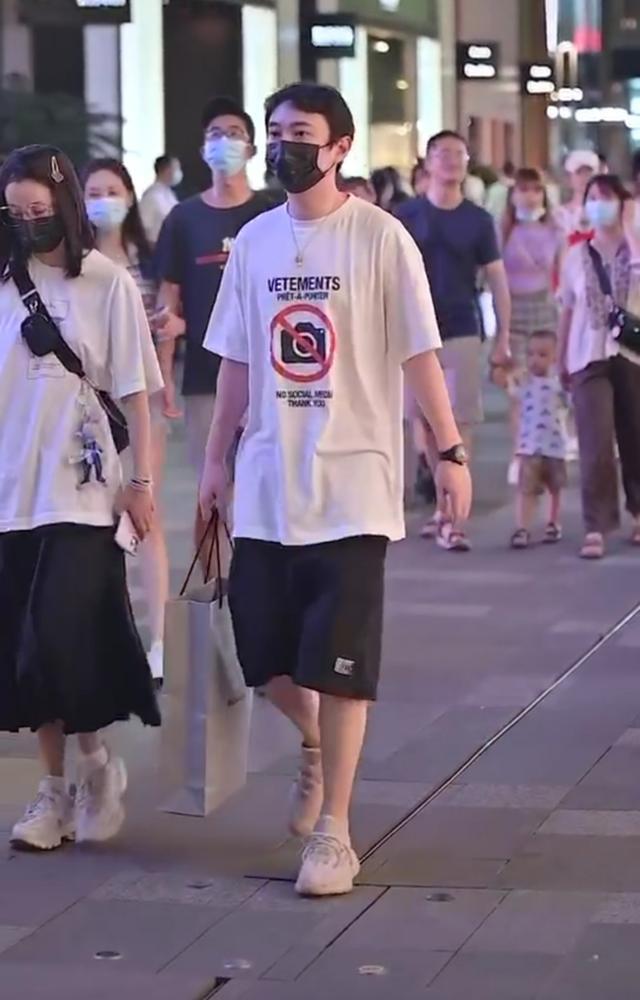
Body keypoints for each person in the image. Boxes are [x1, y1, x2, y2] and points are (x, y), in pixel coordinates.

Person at [199, 82, 472, 897]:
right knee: (264, 659)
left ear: (340, 146)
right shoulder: (254, 241)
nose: (284, 145)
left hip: (354, 485)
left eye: (301, 133)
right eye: (275, 132)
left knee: (344, 667)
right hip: (267, 485)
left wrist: (449, 450)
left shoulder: (381, 239)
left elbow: (419, 354)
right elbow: (237, 360)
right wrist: (214, 463)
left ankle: (335, 831)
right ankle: (314, 744)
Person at [0, 144, 161, 852]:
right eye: (13, 212)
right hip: (12, 493)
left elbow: (137, 395)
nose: (26, 223)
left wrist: (142, 483)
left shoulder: (107, 283)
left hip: (84, 493)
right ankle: (61, 785)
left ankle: (87, 767)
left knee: (59, 635)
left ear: (62, 205)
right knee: (27, 650)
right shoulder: (3, 283)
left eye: (37, 210)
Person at [155, 97, 274, 564]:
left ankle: (259, 587)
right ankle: (214, 591)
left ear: (252, 148)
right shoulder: (182, 219)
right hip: (206, 376)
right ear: (203, 149)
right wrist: (165, 375)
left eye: (234, 134)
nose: (224, 142)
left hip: (270, 376)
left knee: (263, 490)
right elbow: (168, 299)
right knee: (212, 489)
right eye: (214, 135)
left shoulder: (271, 211)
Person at [83, 157, 175, 684]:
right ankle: (108, 639)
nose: (104, 201)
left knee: (145, 515)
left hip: (138, 405)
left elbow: (169, 321)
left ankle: (159, 640)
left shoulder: (149, 258)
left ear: (130, 196)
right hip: (84, 411)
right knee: (94, 525)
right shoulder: (70, 262)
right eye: (93, 192)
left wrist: (165, 332)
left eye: (112, 191)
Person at [396, 129, 511, 551]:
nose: (451, 159)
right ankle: (443, 504)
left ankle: (453, 517)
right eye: (442, 152)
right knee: (424, 423)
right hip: (414, 332)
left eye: (458, 153)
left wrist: (503, 337)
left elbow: (497, 278)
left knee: (458, 422)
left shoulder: (478, 219)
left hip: (462, 328)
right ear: (427, 162)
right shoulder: (405, 214)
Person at [557, 173, 640, 559]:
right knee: (595, 442)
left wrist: (631, 233)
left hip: (632, 355)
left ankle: (638, 512)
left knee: (635, 435)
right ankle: (597, 525)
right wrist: (561, 357)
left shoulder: (635, 249)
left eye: (607, 196)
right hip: (586, 355)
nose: (599, 204)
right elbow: (567, 308)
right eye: (593, 197)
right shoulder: (575, 254)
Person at [498, 167, 564, 483]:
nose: (530, 196)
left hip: (543, 307)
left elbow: (561, 272)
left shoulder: (554, 228)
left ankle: (550, 449)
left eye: (536, 190)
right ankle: (520, 453)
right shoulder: (503, 228)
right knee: (518, 388)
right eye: (523, 190)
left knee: (547, 384)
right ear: (513, 195)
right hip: (513, 310)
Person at [506, 331, 568, 548]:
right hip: (529, 446)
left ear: (554, 357)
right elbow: (513, 397)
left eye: (542, 355)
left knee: (555, 487)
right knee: (526, 488)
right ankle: (522, 527)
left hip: (555, 446)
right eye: (530, 354)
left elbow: (571, 405)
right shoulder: (525, 383)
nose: (535, 359)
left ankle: (553, 522)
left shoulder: (559, 383)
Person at [555, 150, 599, 245]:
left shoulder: (605, 211)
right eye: (579, 173)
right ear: (569, 177)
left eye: (589, 173)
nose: (585, 178)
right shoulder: (559, 214)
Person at [139, 154, 182, 246]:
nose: (179, 173)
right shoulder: (151, 196)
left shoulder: (169, 194)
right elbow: (143, 227)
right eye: (176, 168)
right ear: (166, 170)